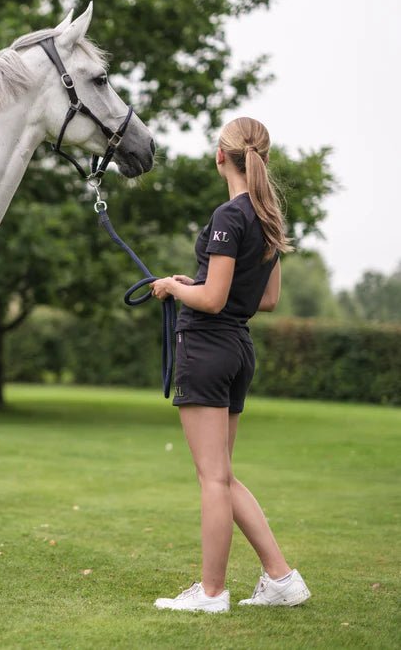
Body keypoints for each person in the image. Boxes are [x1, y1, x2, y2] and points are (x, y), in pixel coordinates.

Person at [148, 117, 310, 613]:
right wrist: (192, 284)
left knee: (212, 477)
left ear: (222, 157)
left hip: (208, 349)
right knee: (222, 475)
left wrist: (176, 288)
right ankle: (282, 578)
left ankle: (213, 593)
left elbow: (213, 299)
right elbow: (268, 298)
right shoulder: (267, 218)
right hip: (238, 351)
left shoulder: (228, 215)